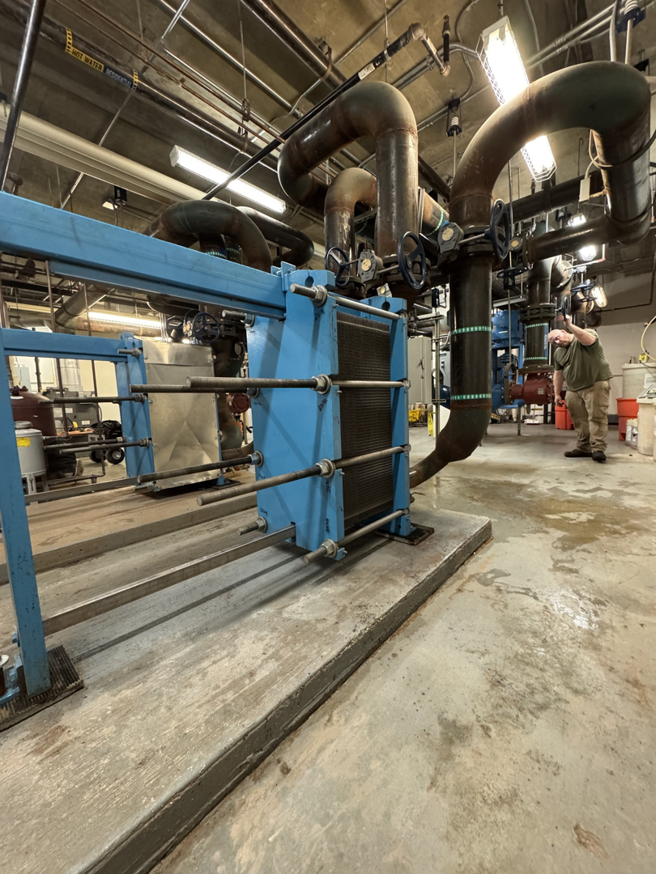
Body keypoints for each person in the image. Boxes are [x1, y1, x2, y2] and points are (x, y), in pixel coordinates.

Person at [549, 316, 612, 463]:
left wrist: (570, 325)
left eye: (557, 338)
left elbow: (588, 340)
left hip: (594, 383)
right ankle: (584, 447)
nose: (557, 342)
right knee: (579, 419)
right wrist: (557, 393)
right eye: (553, 342)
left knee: (597, 416)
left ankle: (598, 449)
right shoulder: (558, 353)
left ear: (564, 331)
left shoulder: (585, 335)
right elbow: (558, 373)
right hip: (573, 389)